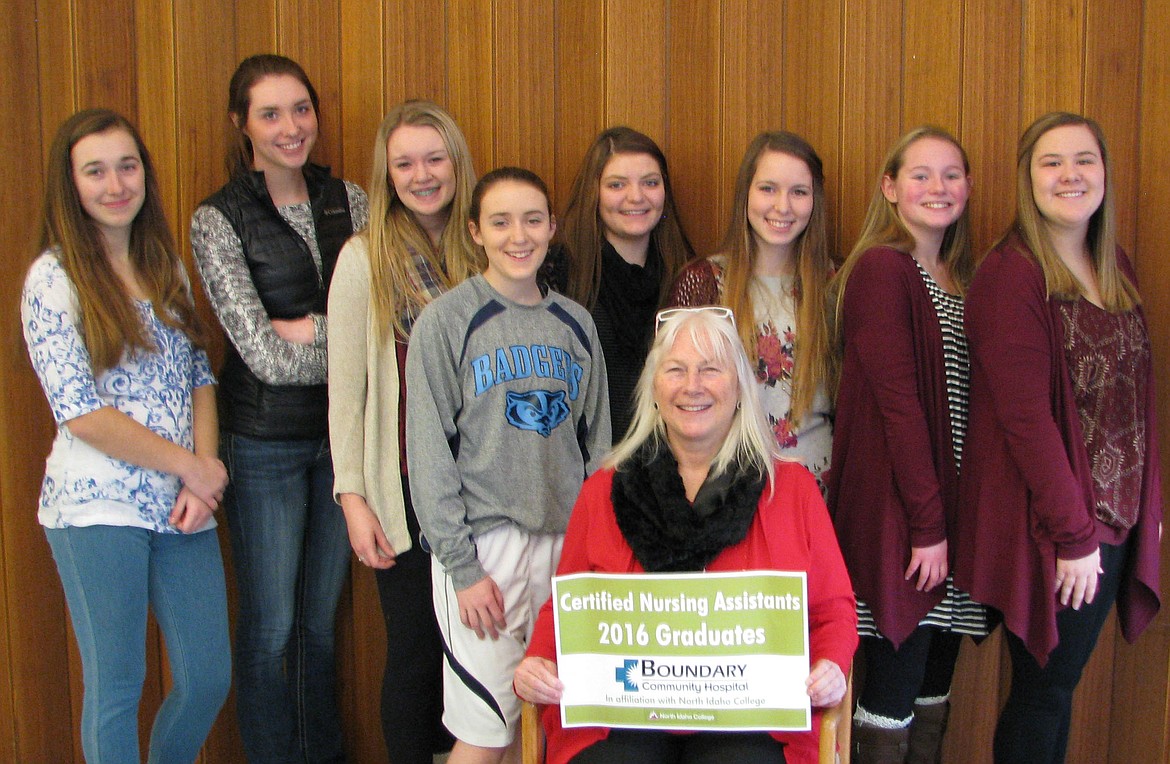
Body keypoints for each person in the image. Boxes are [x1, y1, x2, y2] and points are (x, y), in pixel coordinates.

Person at [515, 306, 857, 764]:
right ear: (654, 389)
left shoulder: (790, 490)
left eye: (710, 370)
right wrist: (537, 663)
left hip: (752, 719)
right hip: (624, 713)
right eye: (675, 370)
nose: (692, 386)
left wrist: (830, 667)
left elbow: (834, 608)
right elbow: (566, 608)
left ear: (738, 388)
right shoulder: (604, 489)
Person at [21, 108, 231, 762]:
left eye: (127, 165)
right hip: (96, 507)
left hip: (182, 505)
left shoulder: (161, 262)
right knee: (117, 686)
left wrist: (204, 466)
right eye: (96, 171)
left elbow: (199, 369)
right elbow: (80, 412)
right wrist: (191, 466)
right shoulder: (53, 280)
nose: (116, 184)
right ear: (71, 184)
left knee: (205, 677)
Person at [955, 112, 1161, 764]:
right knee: (1044, 694)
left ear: (1104, 174)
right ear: (1028, 179)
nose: (1070, 174)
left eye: (1084, 160)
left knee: (1058, 692)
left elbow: (1134, 402)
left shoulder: (1115, 266)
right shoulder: (1011, 275)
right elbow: (1025, 420)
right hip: (1057, 530)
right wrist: (1074, 537)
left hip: (1116, 526)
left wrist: (1146, 514)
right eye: (1052, 162)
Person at [191, 53, 368, 762]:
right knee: (271, 627)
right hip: (262, 441)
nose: (291, 127)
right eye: (270, 113)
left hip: (341, 439)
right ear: (242, 124)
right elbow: (262, 356)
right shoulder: (218, 218)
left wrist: (314, 329)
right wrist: (338, 334)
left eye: (300, 109)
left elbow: (376, 324)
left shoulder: (350, 200)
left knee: (319, 628)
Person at [406, 167, 611, 764]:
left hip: (564, 545)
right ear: (475, 231)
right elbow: (428, 454)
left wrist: (593, 552)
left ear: (551, 228)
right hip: (483, 548)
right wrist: (463, 569)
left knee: (554, 719)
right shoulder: (446, 321)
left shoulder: (576, 322)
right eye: (500, 221)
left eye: (531, 220)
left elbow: (597, 448)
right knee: (488, 728)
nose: (517, 236)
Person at [826, 127, 988, 762]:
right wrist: (927, 523)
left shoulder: (966, 278)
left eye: (951, 175)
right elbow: (899, 408)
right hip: (906, 518)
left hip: (953, 516)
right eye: (920, 174)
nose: (937, 188)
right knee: (890, 697)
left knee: (931, 692)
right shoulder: (882, 270)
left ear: (968, 189)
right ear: (890, 188)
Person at [327, 99, 478, 762]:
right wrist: (353, 497)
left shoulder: (485, 246)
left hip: (483, 488)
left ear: (457, 164)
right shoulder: (365, 257)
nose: (422, 174)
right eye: (404, 162)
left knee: (474, 656)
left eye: (434, 158)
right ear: (386, 174)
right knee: (417, 654)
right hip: (408, 492)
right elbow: (348, 391)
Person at [668, 131, 834, 486]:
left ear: (814, 201)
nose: (783, 206)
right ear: (746, 193)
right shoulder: (704, 281)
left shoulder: (837, 284)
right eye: (768, 189)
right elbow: (672, 395)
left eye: (799, 192)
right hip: (723, 486)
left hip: (817, 489)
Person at [554, 126, 695, 441]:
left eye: (650, 183)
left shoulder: (688, 276)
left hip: (669, 463)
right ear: (595, 193)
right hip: (586, 466)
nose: (636, 196)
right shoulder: (560, 274)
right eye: (617, 184)